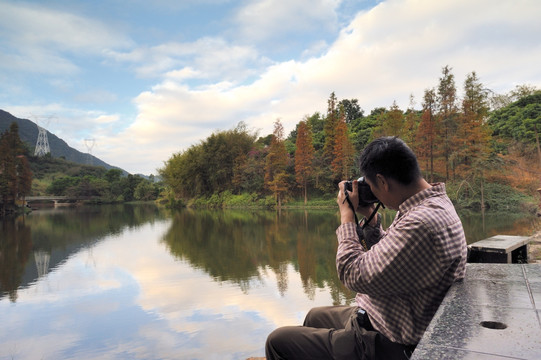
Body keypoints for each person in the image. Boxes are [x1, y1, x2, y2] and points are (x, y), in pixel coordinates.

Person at [265, 136, 468, 360]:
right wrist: (370, 222)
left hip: (390, 340)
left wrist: (347, 218)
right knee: (315, 316)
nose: (372, 192)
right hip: (389, 314)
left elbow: (352, 274)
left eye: (372, 186)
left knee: (277, 341)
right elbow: (389, 257)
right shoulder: (429, 205)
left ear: (383, 182)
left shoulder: (420, 223)